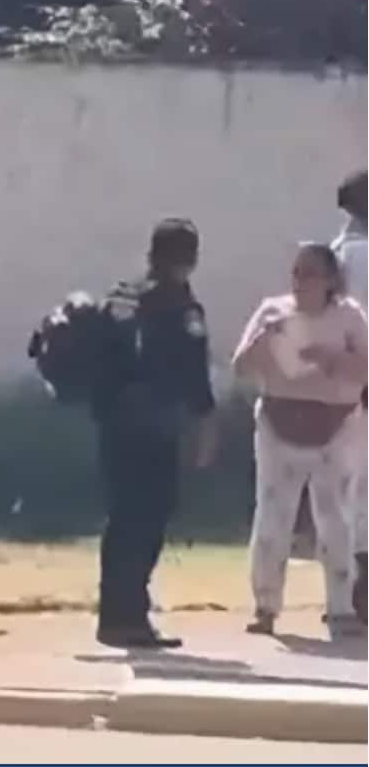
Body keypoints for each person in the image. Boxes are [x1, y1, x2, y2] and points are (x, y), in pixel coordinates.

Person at [231, 242, 368, 636]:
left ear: (329, 280)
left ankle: (341, 608)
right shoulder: (273, 311)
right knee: (273, 516)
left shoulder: (349, 317)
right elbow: (241, 366)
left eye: (310, 274)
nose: (300, 282)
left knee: (335, 518)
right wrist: (265, 340)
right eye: (296, 272)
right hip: (279, 423)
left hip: (335, 427)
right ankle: (265, 605)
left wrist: (333, 359)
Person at [92, 218, 217, 649]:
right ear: (190, 259)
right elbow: (195, 375)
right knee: (146, 521)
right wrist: (204, 429)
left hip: (113, 425)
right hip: (153, 429)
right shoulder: (179, 306)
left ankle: (114, 615)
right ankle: (130, 618)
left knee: (122, 520)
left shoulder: (122, 296)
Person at [332, 169, 368, 620]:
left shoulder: (337, 254)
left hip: (340, 388)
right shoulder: (358, 255)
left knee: (346, 490)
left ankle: (345, 592)